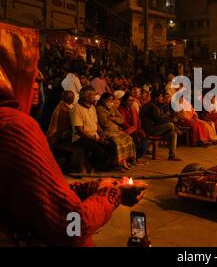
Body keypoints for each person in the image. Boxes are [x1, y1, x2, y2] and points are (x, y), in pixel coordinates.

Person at [0, 29, 146, 246]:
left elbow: (38, 196)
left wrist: (90, 188)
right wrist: (113, 195)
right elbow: (70, 224)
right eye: (29, 66)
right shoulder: (14, 126)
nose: (39, 77)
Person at [71, 86, 116, 172]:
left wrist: (102, 134)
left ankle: (108, 165)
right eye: (94, 95)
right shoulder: (76, 109)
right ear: (87, 97)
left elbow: (96, 124)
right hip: (81, 138)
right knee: (99, 149)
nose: (96, 97)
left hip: (94, 135)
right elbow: (79, 131)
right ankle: (94, 166)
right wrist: (96, 139)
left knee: (111, 144)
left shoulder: (92, 107)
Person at [97, 92, 136, 170]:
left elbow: (121, 119)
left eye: (112, 100)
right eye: (108, 100)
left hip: (117, 130)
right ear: (103, 100)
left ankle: (127, 160)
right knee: (118, 142)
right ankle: (119, 163)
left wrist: (113, 118)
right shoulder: (99, 108)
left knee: (129, 138)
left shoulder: (112, 108)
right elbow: (104, 123)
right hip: (107, 131)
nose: (110, 101)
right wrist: (114, 119)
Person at [141, 91, 182, 161]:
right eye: (160, 96)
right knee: (170, 125)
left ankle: (172, 156)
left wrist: (169, 119)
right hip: (151, 129)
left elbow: (162, 118)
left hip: (157, 128)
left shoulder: (157, 105)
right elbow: (159, 120)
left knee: (173, 134)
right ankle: (176, 129)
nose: (162, 98)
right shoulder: (151, 106)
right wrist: (172, 120)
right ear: (156, 98)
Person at [119, 92, 150, 160]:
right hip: (126, 130)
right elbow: (123, 122)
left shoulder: (133, 109)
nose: (131, 102)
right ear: (124, 101)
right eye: (129, 100)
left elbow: (138, 120)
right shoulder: (121, 109)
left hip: (134, 128)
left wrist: (139, 129)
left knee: (144, 137)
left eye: (132, 100)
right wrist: (132, 129)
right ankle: (132, 158)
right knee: (135, 136)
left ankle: (136, 157)